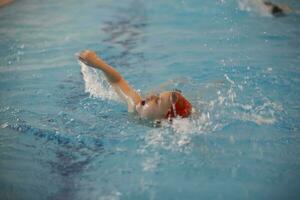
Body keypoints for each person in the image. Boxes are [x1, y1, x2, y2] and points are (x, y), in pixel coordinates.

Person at [78, 50, 192, 120]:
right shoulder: (135, 105)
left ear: (164, 118)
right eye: (157, 95)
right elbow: (118, 81)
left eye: (157, 101)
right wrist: (98, 63)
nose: (152, 96)